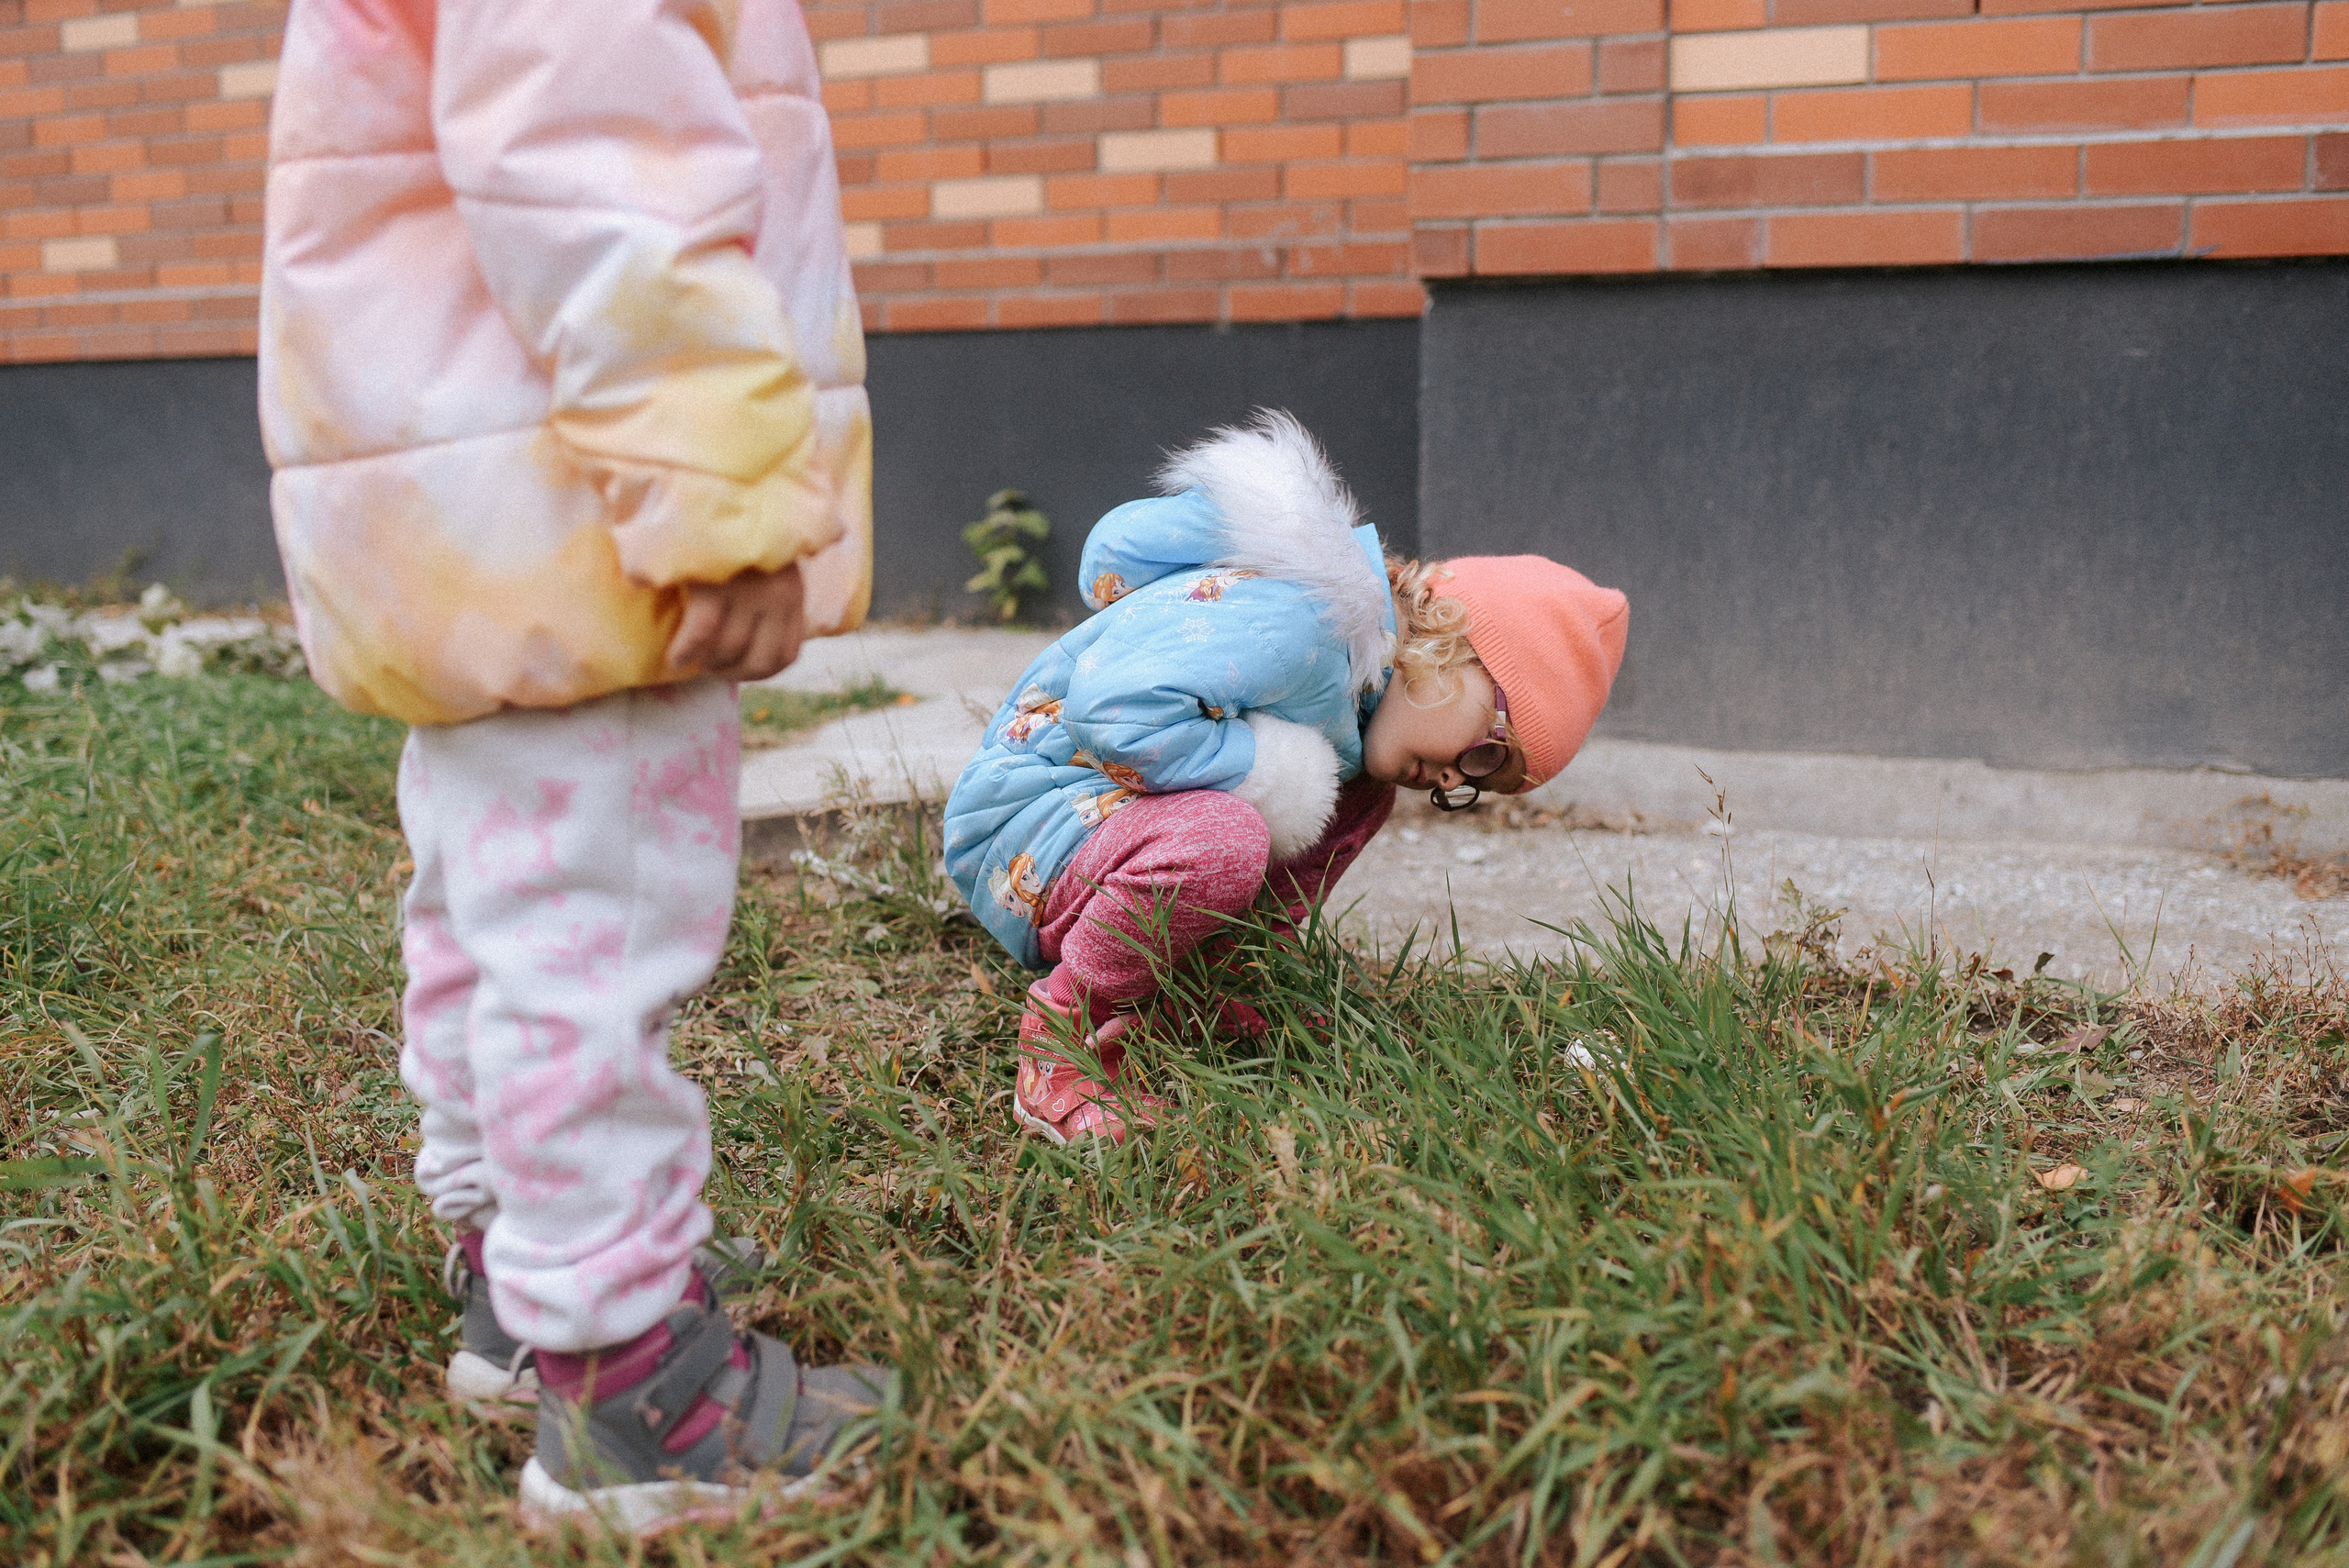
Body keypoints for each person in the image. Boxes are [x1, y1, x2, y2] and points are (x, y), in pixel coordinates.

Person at [258, 0, 890, 1530]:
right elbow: (600, 166)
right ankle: (631, 1383)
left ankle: (517, 1279)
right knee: (587, 931)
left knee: (494, 902)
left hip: (477, 494)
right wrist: (716, 489)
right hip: (590, 510)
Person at [942, 411, 1630, 1144]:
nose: (1450, 778)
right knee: (1228, 835)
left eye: (1474, 786)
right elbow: (1109, 708)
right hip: (1027, 823)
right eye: (1486, 751)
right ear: (1455, 639)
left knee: (1358, 794)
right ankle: (1063, 1035)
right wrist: (1263, 771)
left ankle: (1202, 984)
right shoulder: (1307, 626)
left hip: (1098, 836)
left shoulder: (1356, 698)